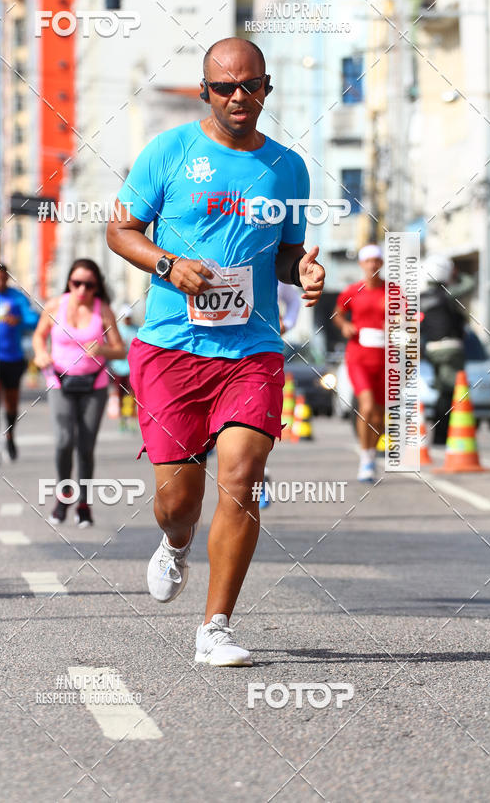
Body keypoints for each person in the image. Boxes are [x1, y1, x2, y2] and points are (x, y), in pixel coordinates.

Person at [107, 36, 324, 666]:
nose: (238, 96)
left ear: (266, 89)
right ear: (206, 92)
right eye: (224, 87)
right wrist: (169, 265)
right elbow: (121, 230)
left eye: (249, 85)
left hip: (251, 345)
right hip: (172, 347)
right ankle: (174, 544)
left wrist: (303, 271)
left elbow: (287, 253)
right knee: (179, 502)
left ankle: (216, 628)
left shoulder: (288, 167)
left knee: (242, 476)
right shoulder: (169, 152)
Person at [32, 258, 125, 527]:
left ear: (97, 286)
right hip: (60, 382)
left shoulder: (103, 311)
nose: (82, 290)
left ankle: (84, 504)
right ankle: (64, 496)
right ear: (69, 282)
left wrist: (103, 349)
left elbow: (120, 349)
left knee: (85, 447)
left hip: (93, 385)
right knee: (63, 442)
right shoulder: (54, 305)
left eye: (89, 284)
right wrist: (40, 353)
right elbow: (39, 335)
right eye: (77, 283)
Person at [332, 244, 386, 482]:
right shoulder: (353, 290)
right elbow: (338, 314)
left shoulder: (393, 292)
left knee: (380, 414)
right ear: (362, 264)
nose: (373, 265)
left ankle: (372, 454)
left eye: (377, 260)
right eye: (368, 261)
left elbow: (409, 317)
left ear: (382, 264)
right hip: (358, 357)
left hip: (386, 360)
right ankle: (365, 458)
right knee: (366, 405)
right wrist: (345, 326)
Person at [421, 254, 475, 445]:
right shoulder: (448, 294)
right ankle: (443, 435)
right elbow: (471, 283)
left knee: (444, 392)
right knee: (452, 393)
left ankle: (440, 435)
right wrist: (457, 274)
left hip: (432, 350)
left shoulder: (421, 298)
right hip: (451, 349)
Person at [0, 263, 40, 460]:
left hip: (13, 358)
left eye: (2, 278)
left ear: (7, 278)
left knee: (11, 402)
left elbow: (34, 319)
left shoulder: (17, 297)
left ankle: (10, 434)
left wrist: (19, 320)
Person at [110, 306, 139, 431]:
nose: (128, 320)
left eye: (129, 317)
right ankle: (123, 420)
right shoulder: (118, 330)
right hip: (118, 368)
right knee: (121, 395)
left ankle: (132, 420)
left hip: (132, 368)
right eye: (126, 318)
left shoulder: (137, 329)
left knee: (132, 395)